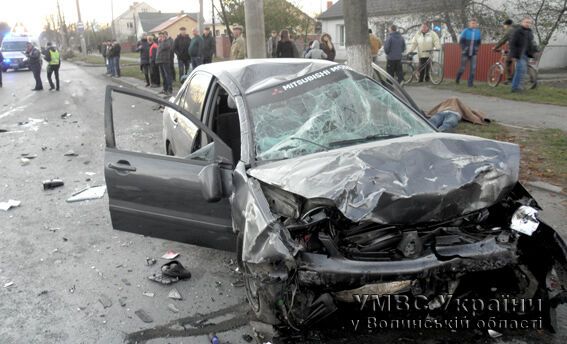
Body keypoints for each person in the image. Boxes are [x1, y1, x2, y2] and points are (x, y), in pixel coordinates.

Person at [509, 17, 538, 93]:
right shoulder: (518, 31)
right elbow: (512, 43)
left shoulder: (530, 32)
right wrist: (514, 55)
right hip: (519, 54)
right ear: (522, 22)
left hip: (526, 54)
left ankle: (518, 87)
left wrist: (535, 50)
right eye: (526, 22)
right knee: (520, 70)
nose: (528, 24)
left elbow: (531, 43)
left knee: (523, 71)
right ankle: (516, 88)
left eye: (529, 22)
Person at [456, 18, 482, 87]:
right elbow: (461, 42)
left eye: (475, 23)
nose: (474, 24)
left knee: (473, 69)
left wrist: (476, 48)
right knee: (462, 68)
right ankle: (457, 79)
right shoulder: (465, 31)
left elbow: (479, 42)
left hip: (474, 53)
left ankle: (470, 84)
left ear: (476, 24)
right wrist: (464, 49)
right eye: (472, 23)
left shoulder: (478, 32)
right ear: (469, 24)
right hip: (465, 53)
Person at [493, 19, 520, 84]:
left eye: (504, 25)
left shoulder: (509, 30)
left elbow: (503, 40)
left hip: (515, 49)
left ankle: (509, 79)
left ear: (506, 25)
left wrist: (495, 47)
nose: (504, 27)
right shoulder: (517, 29)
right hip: (522, 48)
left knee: (507, 62)